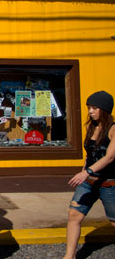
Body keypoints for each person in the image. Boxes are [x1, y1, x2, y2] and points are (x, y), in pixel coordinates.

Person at [63, 90, 115, 259]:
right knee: (74, 215)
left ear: (104, 109)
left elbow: (110, 156)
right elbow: (90, 154)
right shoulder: (90, 127)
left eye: (94, 107)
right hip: (89, 182)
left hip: (109, 183)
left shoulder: (113, 129)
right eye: (88, 107)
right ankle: (69, 256)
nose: (90, 111)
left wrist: (87, 172)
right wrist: (84, 169)